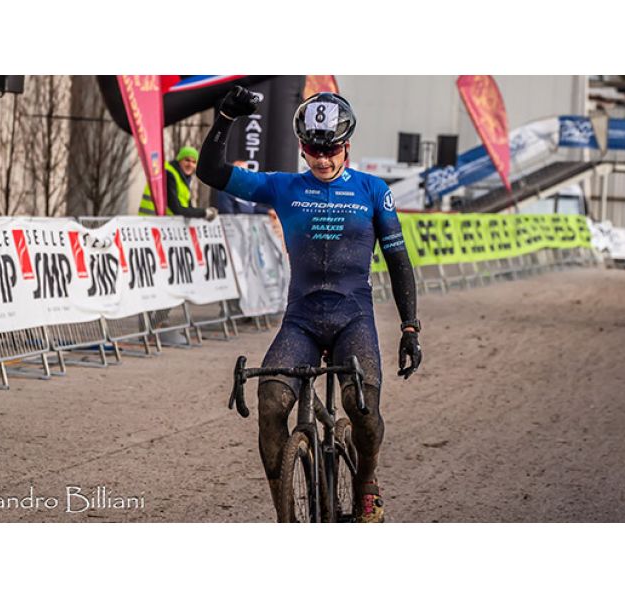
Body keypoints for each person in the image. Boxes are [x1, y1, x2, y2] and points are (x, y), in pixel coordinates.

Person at [197, 87, 422, 523]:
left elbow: (398, 260)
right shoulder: (283, 186)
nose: (322, 159)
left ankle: (367, 484)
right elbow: (212, 172)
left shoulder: (373, 190)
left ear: (347, 145)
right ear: (302, 146)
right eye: (313, 150)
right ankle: (287, 515)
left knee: (362, 409)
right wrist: (224, 118)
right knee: (270, 404)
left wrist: (410, 327)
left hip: (353, 318)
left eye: (331, 149)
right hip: (301, 321)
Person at [138, 146, 217, 220]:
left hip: (161, 222)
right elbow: (176, 209)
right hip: (151, 221)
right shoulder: (169, 174)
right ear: (179, 160)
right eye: (187, 160)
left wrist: (203, 213)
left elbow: (187, 207)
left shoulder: (182, 178)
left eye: (194, 162)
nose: (190, 164)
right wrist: (204, 213)